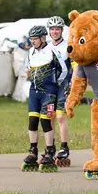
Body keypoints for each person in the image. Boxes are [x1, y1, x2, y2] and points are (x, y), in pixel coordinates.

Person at [23, 25, 67, 172]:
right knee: (32, 121)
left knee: (45, 121)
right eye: (31, 39)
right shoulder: (30, 51)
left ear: (43, 38)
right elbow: (28, 68)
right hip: (34, 91)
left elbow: (63, 69)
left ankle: (49, 151)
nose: (33, 41)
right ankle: (33, 151)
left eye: (35, 39)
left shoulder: (52, 50)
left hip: (48, 92)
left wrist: (55, 84)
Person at [47, 16, 73, 166]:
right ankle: (50, 147)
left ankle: (64, 147)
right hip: (50, 87)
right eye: (52, 29)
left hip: (64, 85)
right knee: (49, 116)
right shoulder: (46, 47)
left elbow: (75, 67)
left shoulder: (68, 46)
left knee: (60, 117)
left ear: (62, 30)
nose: (54, 31)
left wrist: (72, 84)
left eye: (57, 29)